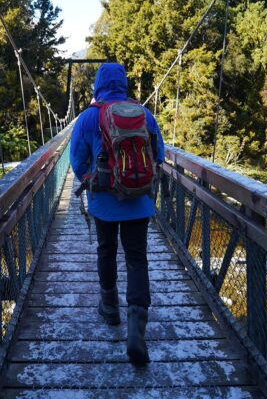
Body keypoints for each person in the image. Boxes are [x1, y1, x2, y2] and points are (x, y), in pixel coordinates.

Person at [69, 62, 165, 365]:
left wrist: (92, 179)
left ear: (98, 84)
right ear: (123, 84)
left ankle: (110, 309)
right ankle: (137, 330)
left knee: (106, 250)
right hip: (138, 201)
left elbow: (76, 161)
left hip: (104, 200)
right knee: (137, 258)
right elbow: (159, 156)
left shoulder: (87, 118)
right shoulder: (144, 114)